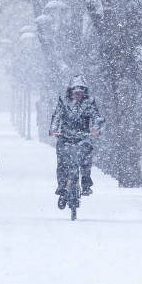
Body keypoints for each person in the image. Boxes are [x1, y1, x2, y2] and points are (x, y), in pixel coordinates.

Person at [50, 76, 103, 209]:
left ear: (84, 92)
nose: (78, 95)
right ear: (70, 92)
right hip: (65, 138)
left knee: (86, 159)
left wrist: (95, 129)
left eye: (80, 92)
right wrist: (54, 129)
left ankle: (86, 183)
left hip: (83, 137)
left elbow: (96, 117)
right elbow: (56, 116)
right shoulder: (63, 102)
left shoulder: (89, 103)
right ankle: (62, 189)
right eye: (75, 92)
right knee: (62, 163)